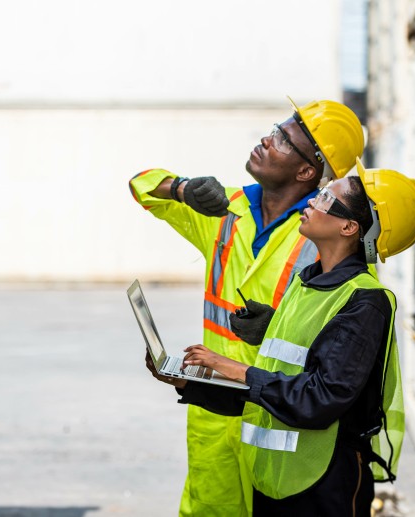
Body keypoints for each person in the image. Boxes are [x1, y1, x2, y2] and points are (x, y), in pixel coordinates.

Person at [147, 160, 415, 516]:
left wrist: (235, 369)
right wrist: (190, 384)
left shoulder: (364, 301)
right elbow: (271, 387)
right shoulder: (306, 282)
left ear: (349, 227)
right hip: (276, 479)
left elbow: (320, 398)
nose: (312, 200)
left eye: (325, 198)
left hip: (323, 485)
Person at [129, 98, 364, 516]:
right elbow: (142, 185)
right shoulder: (223, 207)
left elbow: (348, 345)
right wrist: (182, 188)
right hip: (214, 410)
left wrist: (277, 327)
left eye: (282, 139)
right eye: (275, 129)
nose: (266, 139)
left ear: (307, 171)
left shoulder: (322, 233)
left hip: (276, 416)